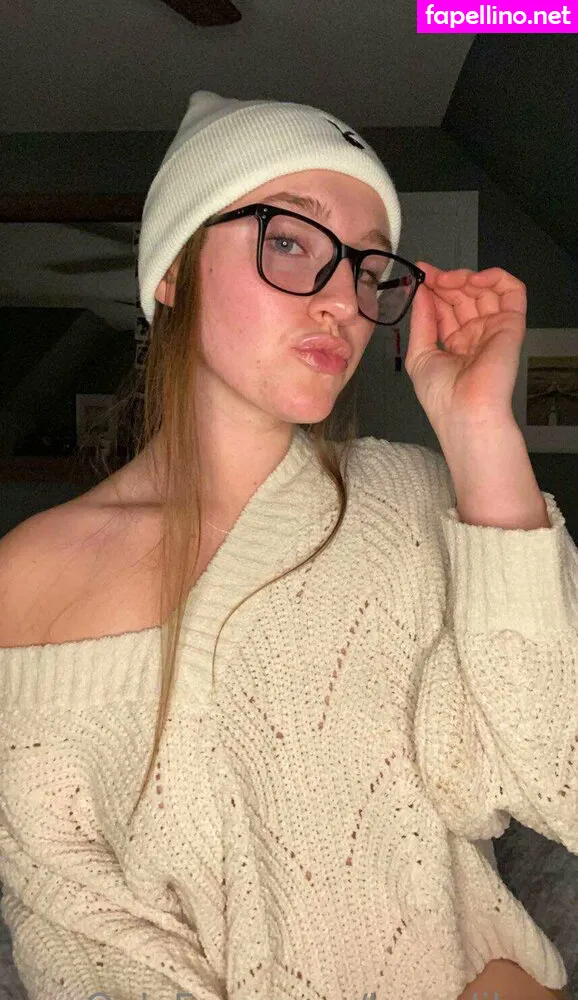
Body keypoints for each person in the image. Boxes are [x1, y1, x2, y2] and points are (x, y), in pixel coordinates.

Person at [0, 89, 575, 1000]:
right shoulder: (24, 579)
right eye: (292, 242)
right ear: (173, 273)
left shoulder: (411, 500)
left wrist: (481, 434)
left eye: (367, 267)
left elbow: (559, 780)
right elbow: (73, 929)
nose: (344, 301)